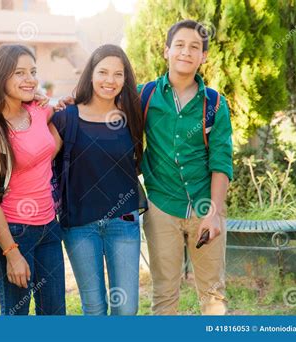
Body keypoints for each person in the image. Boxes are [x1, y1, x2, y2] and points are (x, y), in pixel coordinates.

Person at [140, 19, 233, 315]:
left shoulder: (215, 103)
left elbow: (221, 160)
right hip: (161, 206)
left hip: (206, 207)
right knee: (165, 293)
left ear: (203, 57)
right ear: (167, 50)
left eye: (195, 47)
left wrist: (214, 213)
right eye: (179, 45)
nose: (186, 52)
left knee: (213, 293)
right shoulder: (145, 95)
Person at [49, 44, 145, 315]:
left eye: (118, 74)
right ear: (90, 74)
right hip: (79, 224)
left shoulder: (131, 116)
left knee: (126, 308)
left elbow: (137, 160)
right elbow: (38, 158)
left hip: (123, 222)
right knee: (94, 307)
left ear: (125, 79)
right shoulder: (66, 117)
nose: (110, 80)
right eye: (103, 72)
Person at [0, 44, 65, 315]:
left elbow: (47, 149)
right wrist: (11, 253)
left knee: (55, 314)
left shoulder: (38, 112)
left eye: (33, 72)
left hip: (49, 226)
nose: (30, 79)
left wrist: (53, 103)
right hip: (14, 232)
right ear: (0, 77)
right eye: (20, 73)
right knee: (17, 317)